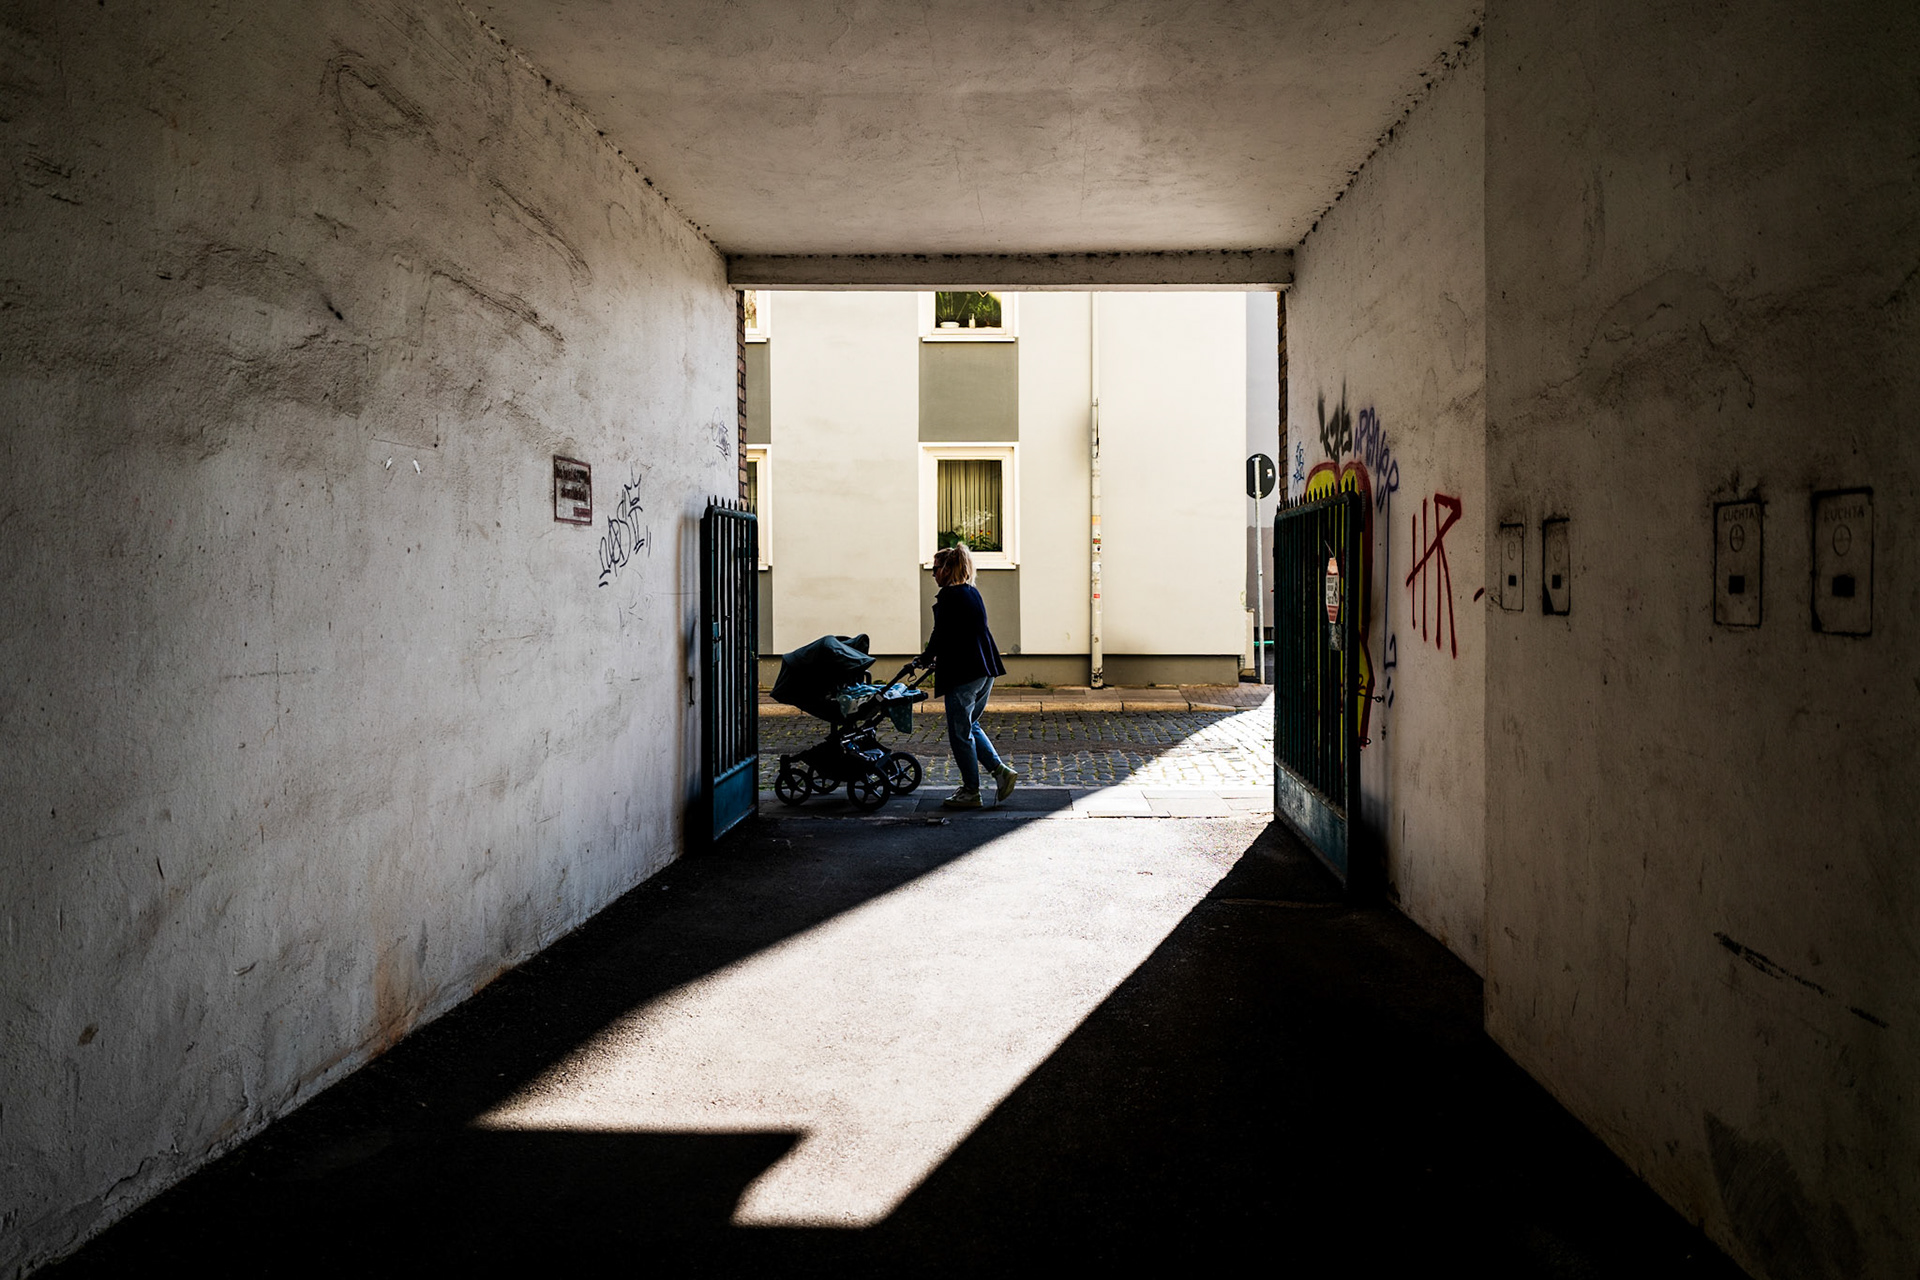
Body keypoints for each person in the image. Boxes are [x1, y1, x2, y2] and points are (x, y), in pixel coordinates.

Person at [915, 545, 1017, 809]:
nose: (933, 574)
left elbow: (940, 635)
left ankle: (971, 791)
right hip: (985, 669)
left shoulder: (949, 596)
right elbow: (962, 634)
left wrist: (925, 658)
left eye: (935, 568)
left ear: (947, 569)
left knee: (960, 734)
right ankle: (1001, 772)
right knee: (970, 725)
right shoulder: (972, 592)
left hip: (965, 673)